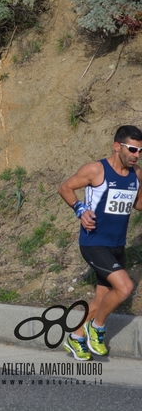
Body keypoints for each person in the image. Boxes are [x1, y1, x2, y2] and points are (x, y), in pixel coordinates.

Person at [58, 125, 142, 360]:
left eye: (140, 152)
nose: (136, 156)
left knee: (101, 299)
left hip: (117, 245)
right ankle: (97, 327)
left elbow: (138, 203)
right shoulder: (96, 170)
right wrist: (80, 209)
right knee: (124, 287)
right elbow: (65, 187)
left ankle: (75, 338)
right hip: (94, 243)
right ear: (117, 146)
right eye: (132, 150)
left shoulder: (137, 175)